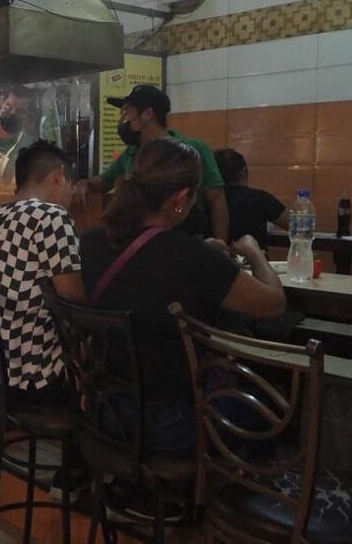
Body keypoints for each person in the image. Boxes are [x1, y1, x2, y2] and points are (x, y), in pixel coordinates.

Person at [80, 139, 285, 456]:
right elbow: (273, 304)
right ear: (181, 198)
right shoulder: (193, 257)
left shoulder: (93, 241)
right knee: (269, 405)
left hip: (103, 411)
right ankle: (223, 499)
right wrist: (255, 254)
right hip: (169, 425)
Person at [0, 141, 86, 406]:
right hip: (38, 380)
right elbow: (73, 297)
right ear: (59, 176)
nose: (71, 195)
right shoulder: (51, 217)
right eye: (71, 186)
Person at [73, 85, 229, 241]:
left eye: (127, 113)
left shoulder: (194, 150)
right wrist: (84, 183)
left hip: (187, 240)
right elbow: (104, 181)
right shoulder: (131, 153)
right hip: (140, 242)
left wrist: (221, 245)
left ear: (147, 114)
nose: (121, 121)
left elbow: (216, 200)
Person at [214, 148, 288, 251]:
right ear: (243, 172)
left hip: (214, 262)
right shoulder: (260, 198)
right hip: (254, 263)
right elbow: (297, 225)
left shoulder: (207, 201)